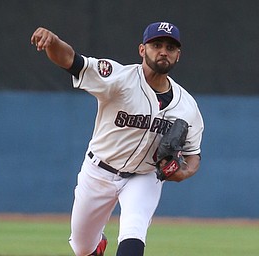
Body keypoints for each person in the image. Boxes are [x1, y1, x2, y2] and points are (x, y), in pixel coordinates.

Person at [31, 21, 204, 256]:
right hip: (98, 171)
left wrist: (183, 173)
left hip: (144, 176)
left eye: (171, 47)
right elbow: (73, 61)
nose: (164, 51)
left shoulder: (187, 105)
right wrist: (53, 42)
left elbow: (193, 155)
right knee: (83, 248)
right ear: (142, 50)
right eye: (157, 45)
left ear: (178, 55)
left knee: (134, 232)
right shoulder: (119, 77)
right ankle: (97, 245)